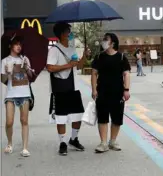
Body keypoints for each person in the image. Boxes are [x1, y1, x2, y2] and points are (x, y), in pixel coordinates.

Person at [46, 23, 86, 156]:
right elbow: (50, 68)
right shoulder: (54, 50)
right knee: (61, 117)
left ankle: (73, 139)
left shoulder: (72, 48)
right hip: (59, 87)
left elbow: (78, 66)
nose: (70, 33)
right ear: (62, 33)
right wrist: (68, 65)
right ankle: (62, 142)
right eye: (69, 31)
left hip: (73, 86)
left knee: (77, 115)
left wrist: (84, 55)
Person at [91, 33, 131, 153]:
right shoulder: (99, 57)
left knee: (116, 118)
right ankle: (103, 143)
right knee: (102, 117)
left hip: (117, 92)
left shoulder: (121, 57)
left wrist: (126, 90)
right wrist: (94, 90)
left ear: (112, 43)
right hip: (102, 91)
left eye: (106, 40)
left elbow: (127, 74)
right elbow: (93, 74)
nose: (103, 41)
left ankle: (113, 141)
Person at [1, 35, 34, 157]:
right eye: (16, 44)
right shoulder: (4, 61)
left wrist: (26, 67)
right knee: (9, 121)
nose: (19, 46)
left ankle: (25, 148)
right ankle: (9, 143)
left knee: (24, 120)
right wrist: (7, 72)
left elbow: (30, 75)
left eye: (20, 44)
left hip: (24, 93)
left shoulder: (25, 59)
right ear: (10, 46)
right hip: (11, 94)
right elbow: (3, 79)